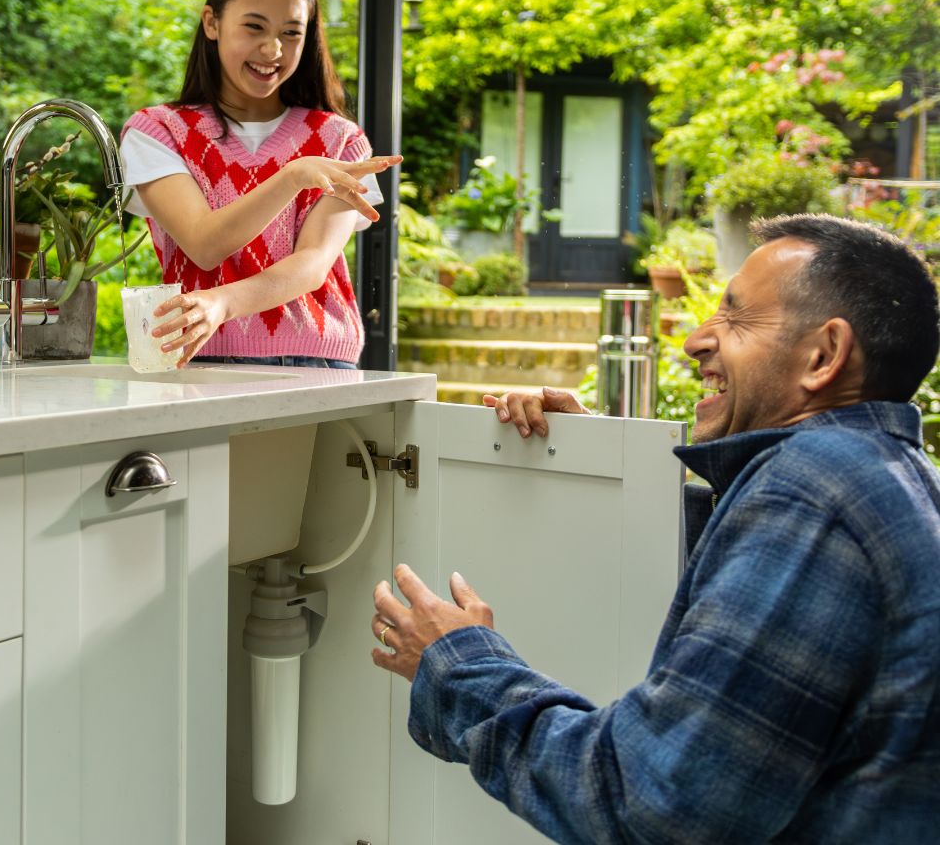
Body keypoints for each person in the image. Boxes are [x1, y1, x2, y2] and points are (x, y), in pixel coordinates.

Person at [370, 214, 940, 843]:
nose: (697, 340)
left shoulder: (811, 501)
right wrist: (595, 459)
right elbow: (729, 541)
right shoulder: (878, 473)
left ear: (824, 355)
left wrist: (457, 665)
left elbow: (648, 804)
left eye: (736, 318)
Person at [120, 0, 401, 369]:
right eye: (254, 27)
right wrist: (292, 177)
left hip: (318, 363)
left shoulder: (341, 142)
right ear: (212, 22)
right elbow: (203, 243)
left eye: (291, 33)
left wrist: (224, 302)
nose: (273, 50)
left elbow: (312, 265)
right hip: (200, 359)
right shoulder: (157, 132)